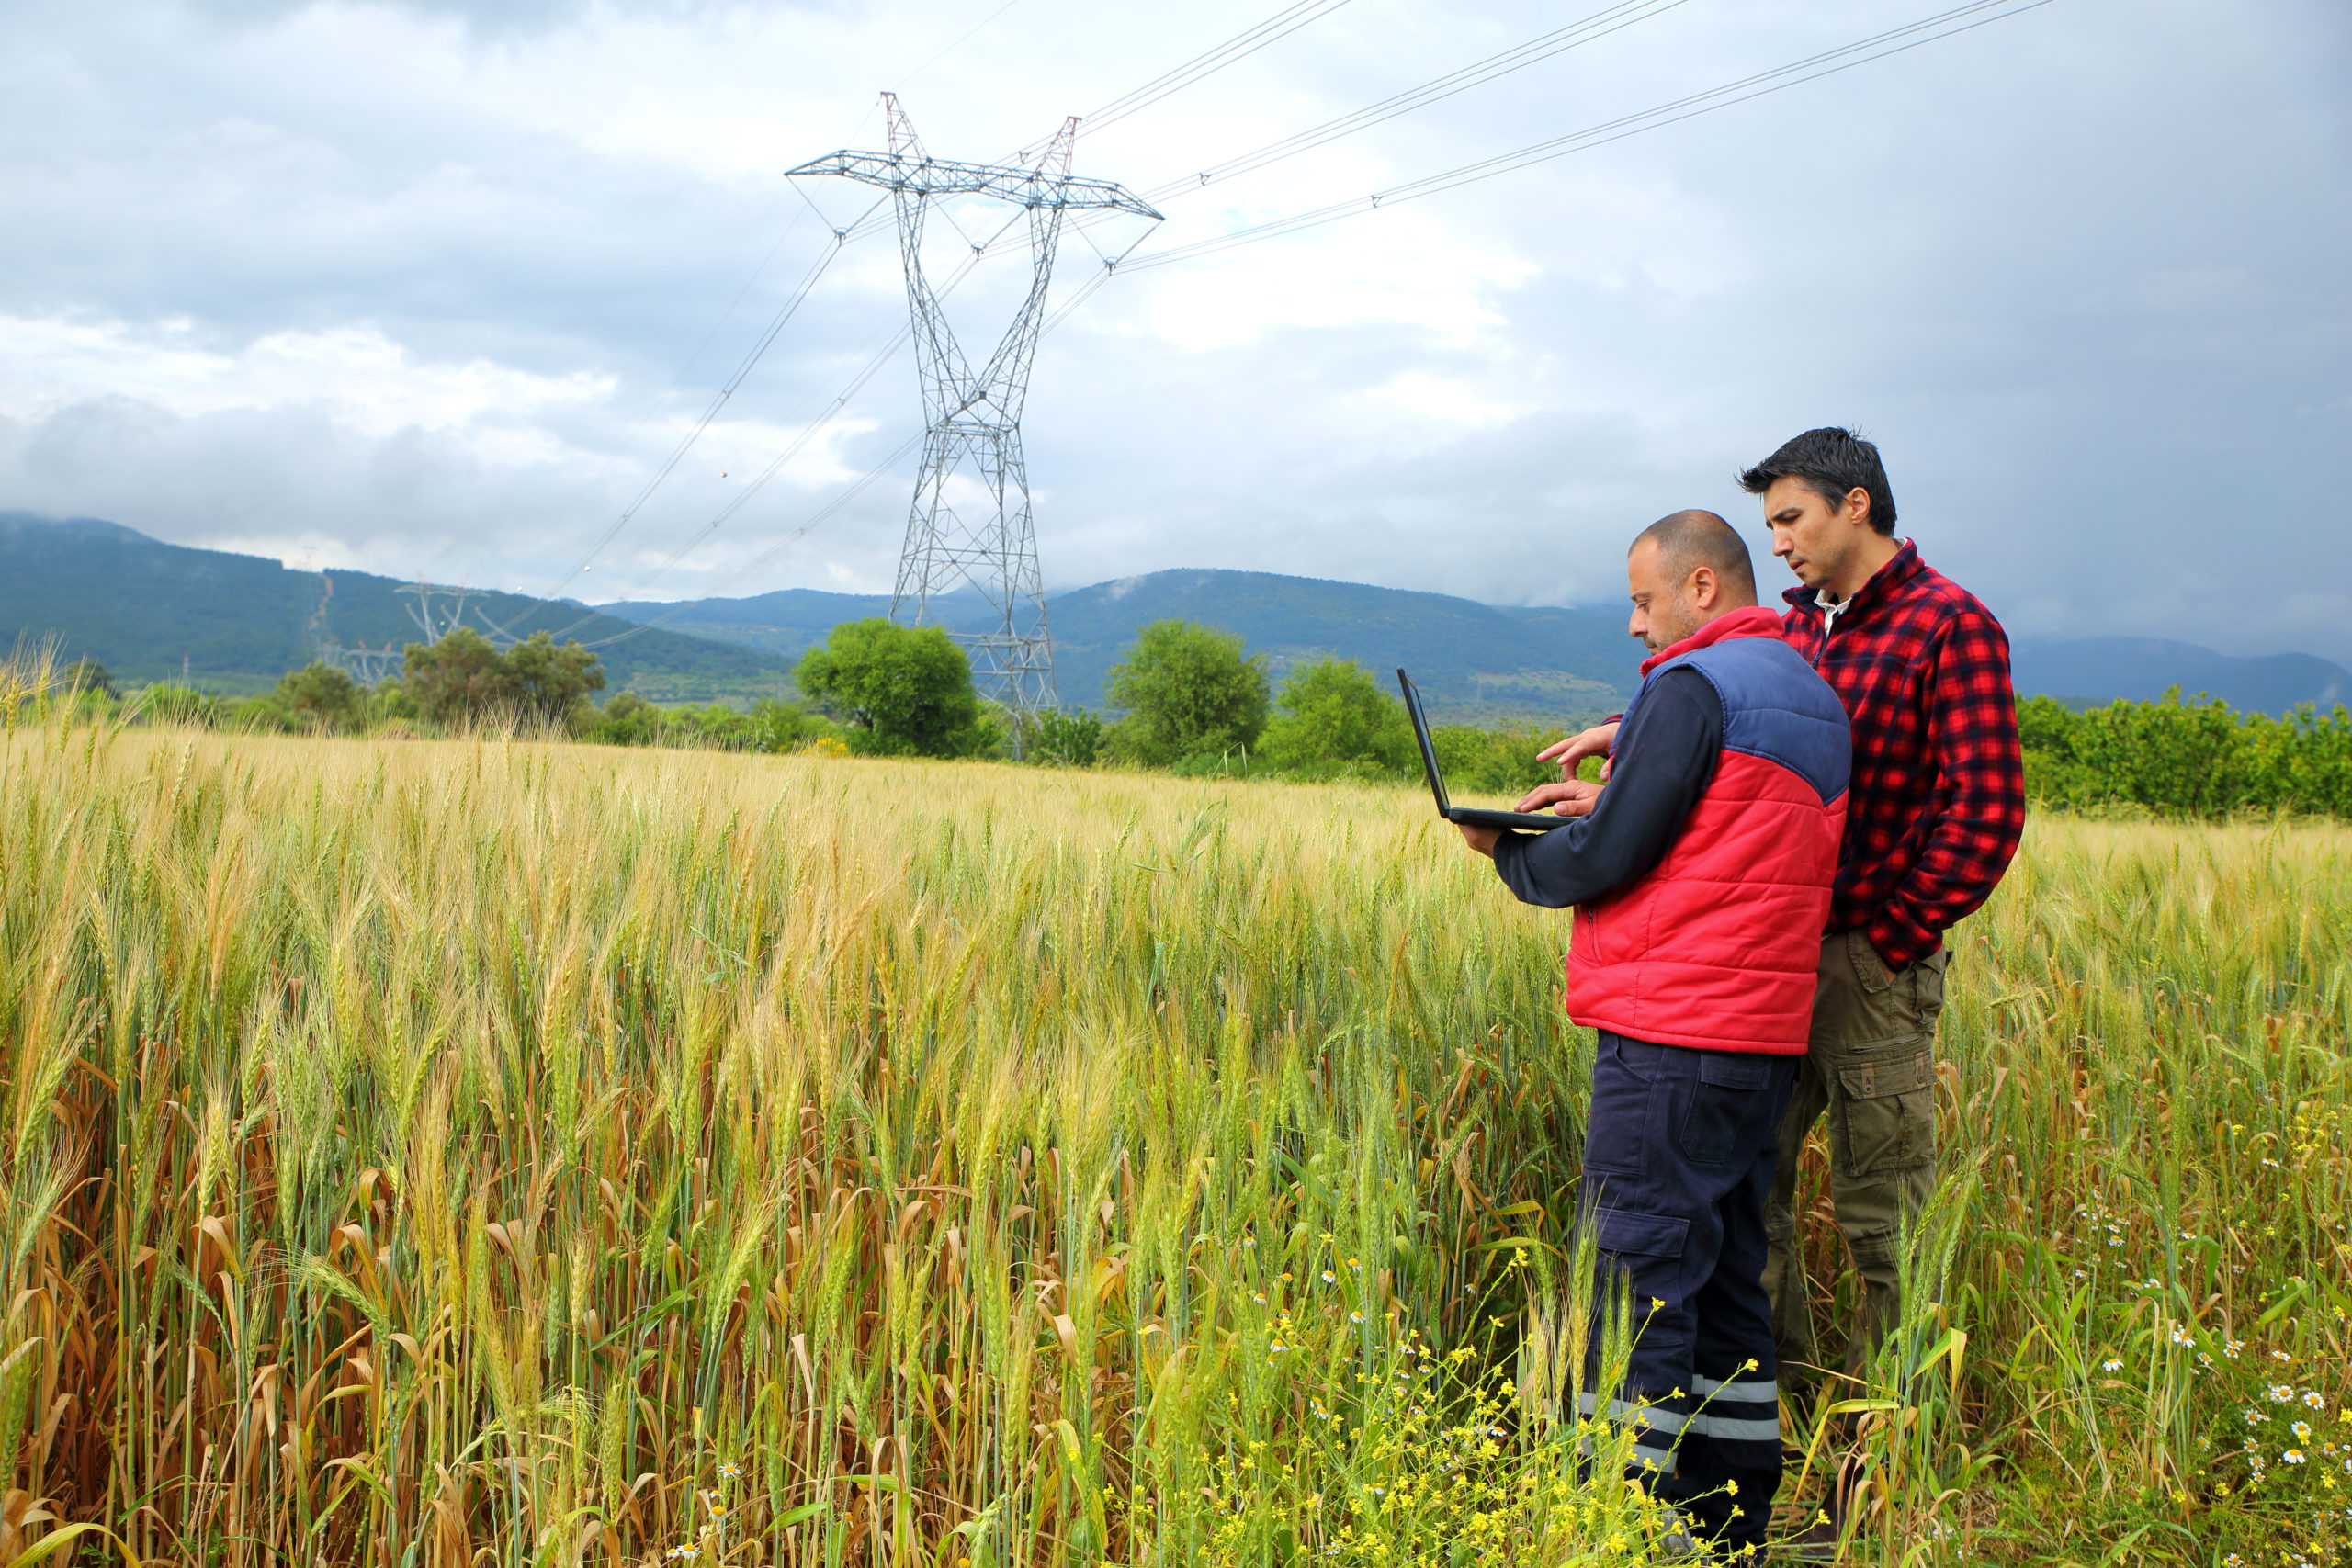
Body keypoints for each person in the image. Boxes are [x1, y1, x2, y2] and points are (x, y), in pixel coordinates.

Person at [1543, 429, 2026, 1421]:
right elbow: (1743, 735)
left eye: (1791, 519)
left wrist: (1890, 939)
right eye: (1767, 526)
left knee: (1880, 1209)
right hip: (1761, 963)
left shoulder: (1949, 626)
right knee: (1743, 1200)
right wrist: (1634, 745)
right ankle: (1776, 1417)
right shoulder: (1797, 628)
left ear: (1855, 506)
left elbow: (1985, 812)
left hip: (1861, 955)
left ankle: (1887, 1440)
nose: (1781, 544)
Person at [1459, 509, 1850, 1562]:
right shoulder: (1808, 693)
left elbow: (1612, 858)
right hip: (1759, 1040)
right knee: (1725, 1279)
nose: (1636, 626)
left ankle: (1631, 1533)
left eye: (1643, 599)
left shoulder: (1691, 686)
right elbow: (1717, 830)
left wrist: (1510, 851)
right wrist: (1607, 795)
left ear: (1702, 589)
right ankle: (1731, 1525)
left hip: (1669, 1035)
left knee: (1634, 1283)